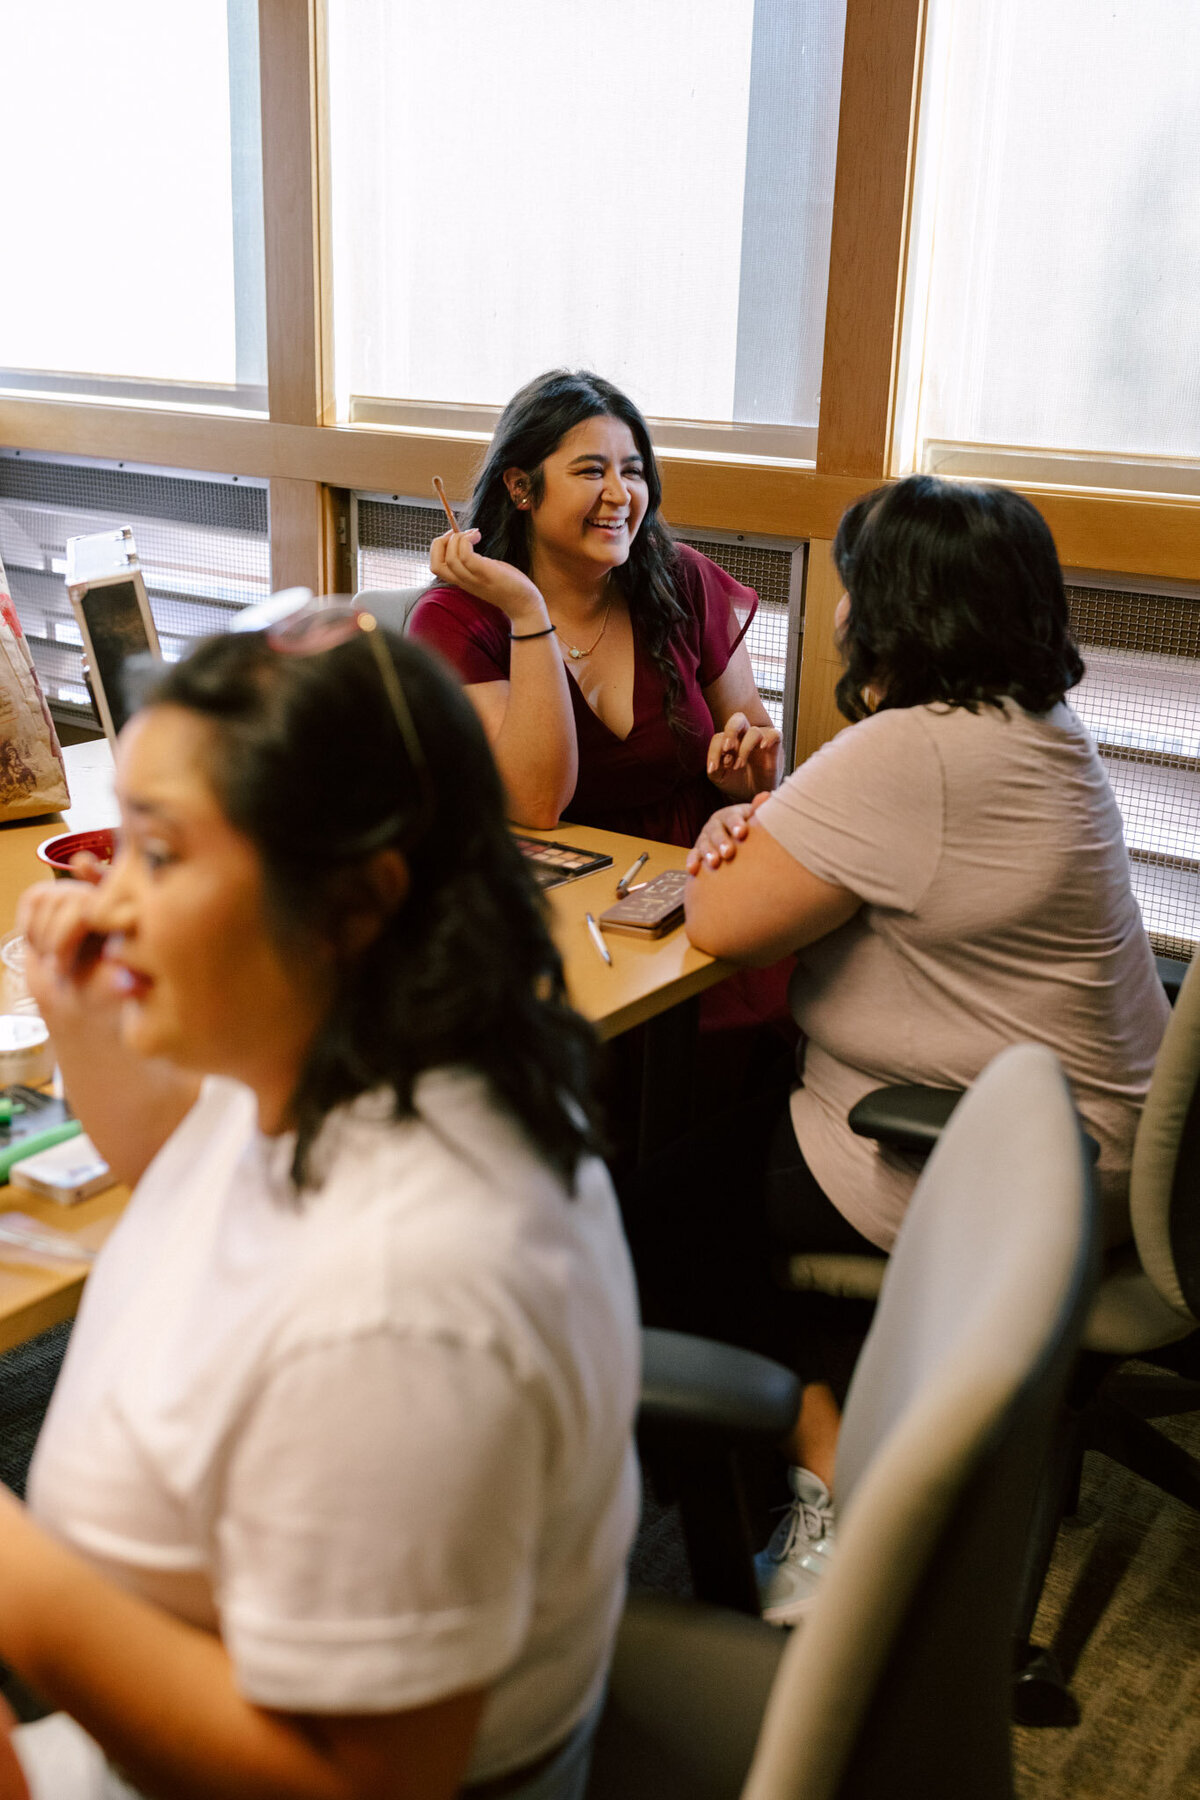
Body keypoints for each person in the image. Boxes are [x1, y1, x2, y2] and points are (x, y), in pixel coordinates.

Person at [4, 611, 640, 1800]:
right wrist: (97, 1023)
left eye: (161, 853)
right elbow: (196, 1194)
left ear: (357, 900)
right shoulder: (357, 1058)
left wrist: (23, 1593)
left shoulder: (405, 1298)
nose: (110, 899)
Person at [633, 474, 1169, 1625]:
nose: (835, 603)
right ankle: (835, 1406)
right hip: (1091, 1138)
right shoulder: (1031, 730)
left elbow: (721, 921)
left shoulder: (915, 752)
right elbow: (828, 853)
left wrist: (742, 835)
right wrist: (761, 825)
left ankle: (823, 1468)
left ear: (901, 608)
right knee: (742, 1109)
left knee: (651, 1210)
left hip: (1003, 1163)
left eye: (853, 578)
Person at [408, 368, 782, 844]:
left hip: (693, 875)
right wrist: (527, 611)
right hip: (557, 891)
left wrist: (752, 779)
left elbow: (757, 752)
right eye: (591, 471)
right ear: (521, 487)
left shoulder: (682, 578)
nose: (620, 494)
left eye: (632, 471)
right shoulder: (453, 619)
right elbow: (538, 803)